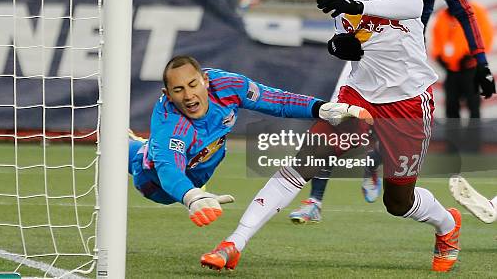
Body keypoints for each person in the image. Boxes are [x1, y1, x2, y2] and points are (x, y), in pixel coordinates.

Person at [201, 0, 461, 273]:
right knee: (300, 164)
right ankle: (234, 243)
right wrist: (343, 46)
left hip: (407, 99)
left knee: (398, 201)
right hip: (359, 98)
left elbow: (412, 5)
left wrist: (358, 8)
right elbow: (359, 39)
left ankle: (447, 224)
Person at [289, 0, 495, 224]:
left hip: (402, 53)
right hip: (362, 46)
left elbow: (465, 13)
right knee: (335, 117)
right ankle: (315, 200)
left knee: (391, 131)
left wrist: (483, 64)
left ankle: (374, 162)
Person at [127, 55, 373, 227]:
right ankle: (124, 144)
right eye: (178, 90)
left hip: (198, 170)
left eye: (193, 84)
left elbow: (278, 101)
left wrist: (321, 108)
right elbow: (168, 168)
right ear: (167, 95)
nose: (189, 95)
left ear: (205, 80)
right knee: (126, 152)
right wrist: (191, 196)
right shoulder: (171, 124)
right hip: (155, 183)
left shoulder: (227, 86)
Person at [431, 1, 494, 153]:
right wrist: (440, 57)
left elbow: (486, 35)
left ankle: (473, 146)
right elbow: (437, 39)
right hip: (452, 71)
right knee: (451, 108)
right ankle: (452, 146)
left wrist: (471, 56)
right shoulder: (443, 16)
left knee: (474, 107)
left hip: (471, 70)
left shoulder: (476, 12)